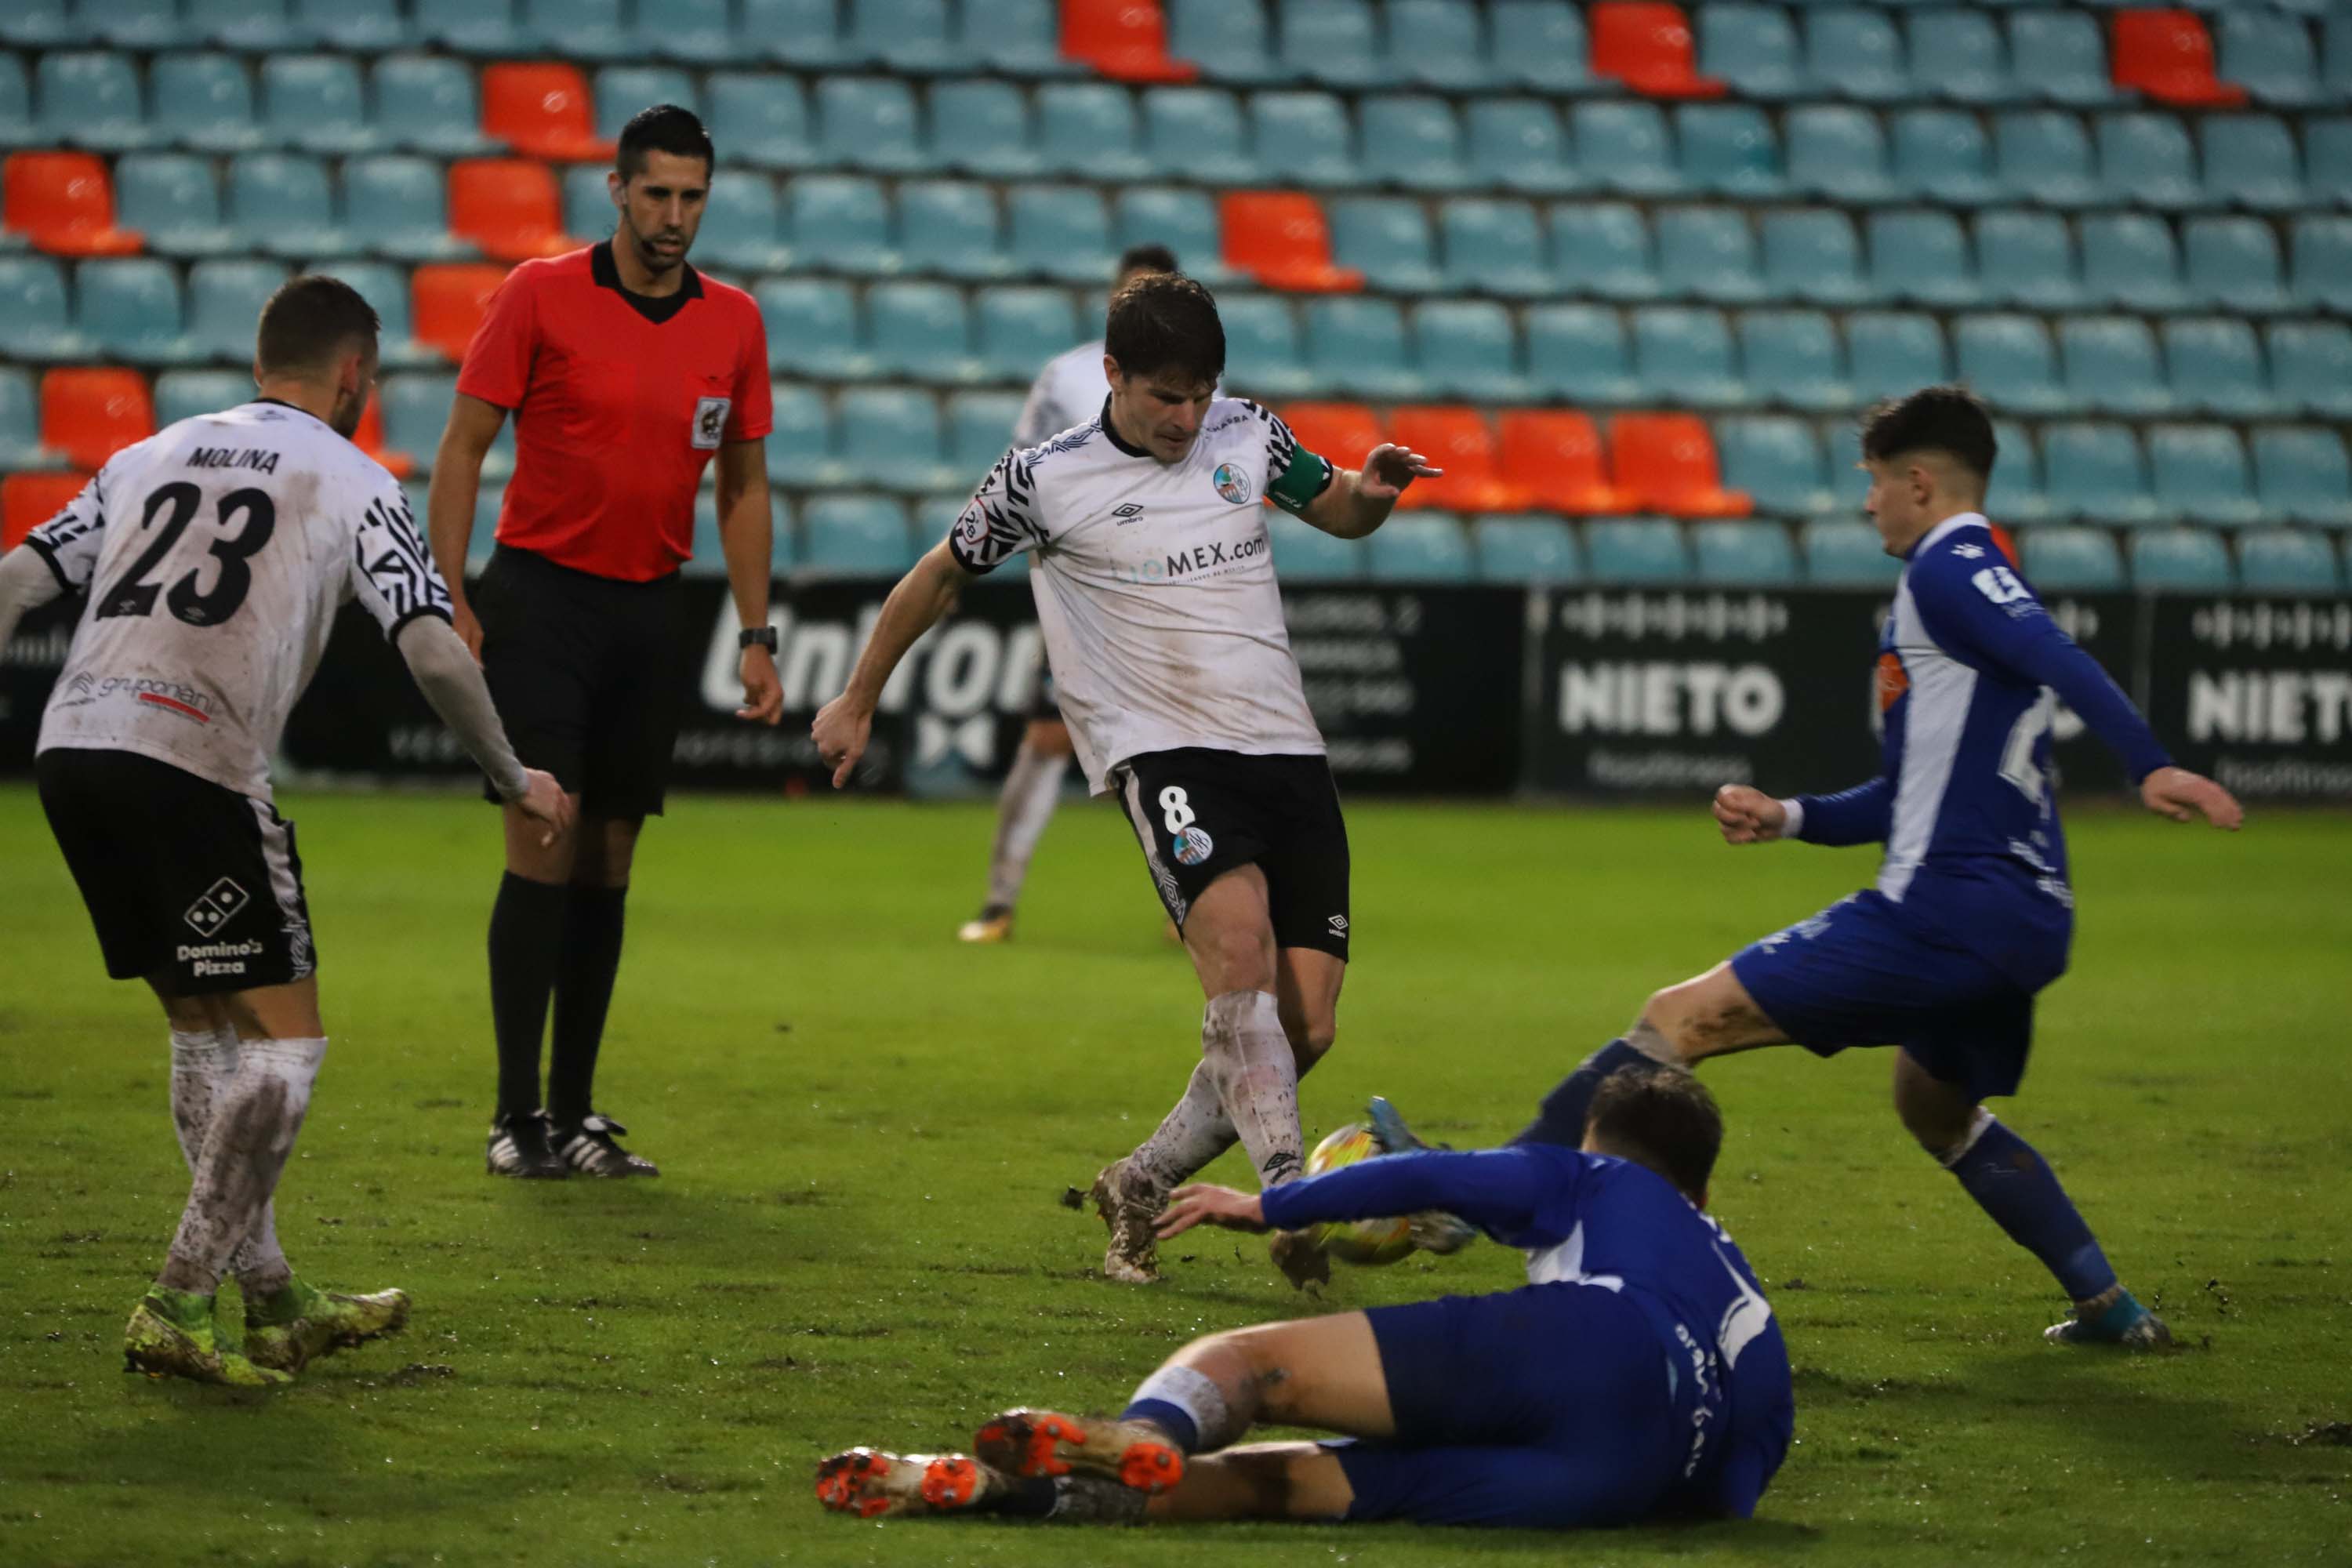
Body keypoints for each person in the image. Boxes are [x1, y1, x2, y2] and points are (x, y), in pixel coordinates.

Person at [1385, 386, 2244, 1350]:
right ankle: (2112, 1308)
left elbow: (2056, 652)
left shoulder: (1952, 566)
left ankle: (1472, 1202)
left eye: (1876, 483)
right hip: (2022, 918)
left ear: (1919, 482)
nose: (1868, 502)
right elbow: (1905, 795)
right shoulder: (1971, 582)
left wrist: (2151, 762)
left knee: (1678, 1018)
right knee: (1936, 1106)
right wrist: (1790, 816)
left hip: (1944, 909)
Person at [0, 276, 572, 1386]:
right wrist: (511, 774)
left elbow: (20, 578)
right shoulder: (355, 477)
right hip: (194, 763)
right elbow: (436, 646)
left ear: (265, 360)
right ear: (354, 374)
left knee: (209, 1028)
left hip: (72, 753)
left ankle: (272, 1298)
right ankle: (178, 1296)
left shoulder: (147, 454)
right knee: (285, 1043)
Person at [812, 274, 1438, 1287]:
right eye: (1164, 398)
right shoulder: (1040, 478)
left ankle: (1140, 1182)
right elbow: (936, 574)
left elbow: (1342, 513)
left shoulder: (1251, 435)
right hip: (1163, 750)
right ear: (1112, 375)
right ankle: (1290, 1195)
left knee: (1305, 1025)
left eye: (1199, 396)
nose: (1187, 419)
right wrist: (857, 697)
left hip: (1284, 746)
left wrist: (1375, 488)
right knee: (1236, 959)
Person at [815, 1069, 1795, 1530]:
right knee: (1283, 1484)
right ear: (1701, 1190)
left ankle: (1135, 1429)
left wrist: (1268, 1202)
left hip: (1597, 1339)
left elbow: (1417, 1178)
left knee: (1248, 1365)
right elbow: (1740, 1487)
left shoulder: (1596, 1181)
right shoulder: (1746, 1295)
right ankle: (1004, 1490)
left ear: (1595, 1142)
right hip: (1627, 1473)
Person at [427, 103, 782, 1181]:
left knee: (612, 855)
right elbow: (464, 444)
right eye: (659, 194)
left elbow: (745, 484)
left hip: (649, 610)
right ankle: (512, 1115)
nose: (677, 217)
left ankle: (576, 1116)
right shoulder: (538, 293)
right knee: (544, 828)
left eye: (694, 197)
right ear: (618, 191)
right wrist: (448, 592)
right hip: (540, 600)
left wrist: (757, 633)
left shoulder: (735, 322)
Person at [957, 242, 1181, 946]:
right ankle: (999, 901)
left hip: (1175, 593)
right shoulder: (1070, 375)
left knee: (1185, 748)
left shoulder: (1195, 383)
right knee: (1050, 739)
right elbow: (1020, 477)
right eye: (1133, 295)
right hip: (1086, 595)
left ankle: (1200, 901)